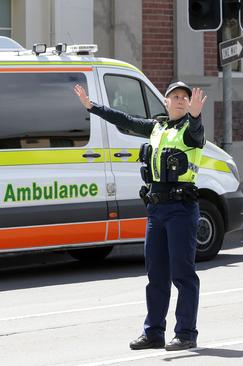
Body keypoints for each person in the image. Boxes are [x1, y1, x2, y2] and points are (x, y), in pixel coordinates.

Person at [74, 81, 207, 351]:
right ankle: (154, 332)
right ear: (166, 102)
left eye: (185, 97)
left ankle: (186, 333)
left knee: (183, 275)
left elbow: (197, 131)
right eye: (175, 96)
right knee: (155, 274)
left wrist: (196, 116)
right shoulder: (157, 128)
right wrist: (92, 107)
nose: (181, 100)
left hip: (181, 209)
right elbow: (125, 120)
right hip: (156, 211)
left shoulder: (191, 130)